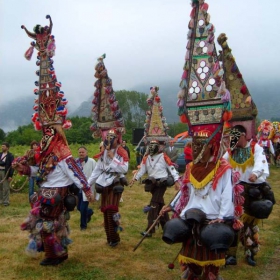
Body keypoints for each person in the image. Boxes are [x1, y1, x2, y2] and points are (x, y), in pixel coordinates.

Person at [160, 128, 234, 280]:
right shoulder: (191, 167)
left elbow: (228, 195)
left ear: (210, 146)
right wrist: (172, 205)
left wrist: (222, 218)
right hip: (191, 218)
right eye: (194, 144)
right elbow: (184, 191)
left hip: (212, 221)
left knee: (211, 268)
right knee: (191, 264)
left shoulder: (223, 168)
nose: (195, 148)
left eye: (200, 145)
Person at [224, 125, 274, 266]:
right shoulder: (231, 152)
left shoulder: (255, 148)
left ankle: (250, 252)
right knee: (232, 222)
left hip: (251, 190)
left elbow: (260, 162)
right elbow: (222, 163)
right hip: (235, 190)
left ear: (244, 135)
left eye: (236, 137)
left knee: (249, 224)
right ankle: (231, 255)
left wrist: (256, 173)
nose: (233, 140)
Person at [130, 139, 180, 237]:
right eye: (150, 145)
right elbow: (142, 170)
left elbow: (172, 168)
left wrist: (177, 180)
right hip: (152, 183)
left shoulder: (163, 156)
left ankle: (149, 229)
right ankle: (167, 226)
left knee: (153, 204)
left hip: (162, 183)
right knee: (160, 204)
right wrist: (135, 179)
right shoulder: (147, 158)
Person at [88, 128, 129, 247]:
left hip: (115, 182)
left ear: (117, 139)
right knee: (105, 210)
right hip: (104, 183)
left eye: (113, 138)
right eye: (108, 138)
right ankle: (109, 237)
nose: (110, 140)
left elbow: (124, 169)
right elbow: (98, 169)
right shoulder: (104, 152)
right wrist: (87, 184)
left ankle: (115, 237)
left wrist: (113, 158)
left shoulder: (121, 151)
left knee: (112, 209)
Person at [76, 146, 97, 231]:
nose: (81, 154)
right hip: (79, 188)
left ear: (86, 152)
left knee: (83, 208)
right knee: (78, 207)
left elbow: (96, 173)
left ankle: (83, 226)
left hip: (88, 188)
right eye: (80, 152)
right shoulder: (76, 162)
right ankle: (90, 212)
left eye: (83, 152)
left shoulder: (92, 161)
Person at [0, 142, 14, 206]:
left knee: (6, 187)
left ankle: (6, 201)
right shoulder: (0, 154)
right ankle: (1, 200)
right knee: (0, 187)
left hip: (5, 172)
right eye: (2, 146)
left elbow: (12, 166)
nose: (2, 147)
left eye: (4, 146)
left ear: (7, 148)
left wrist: (10, 175)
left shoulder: (10, 156)